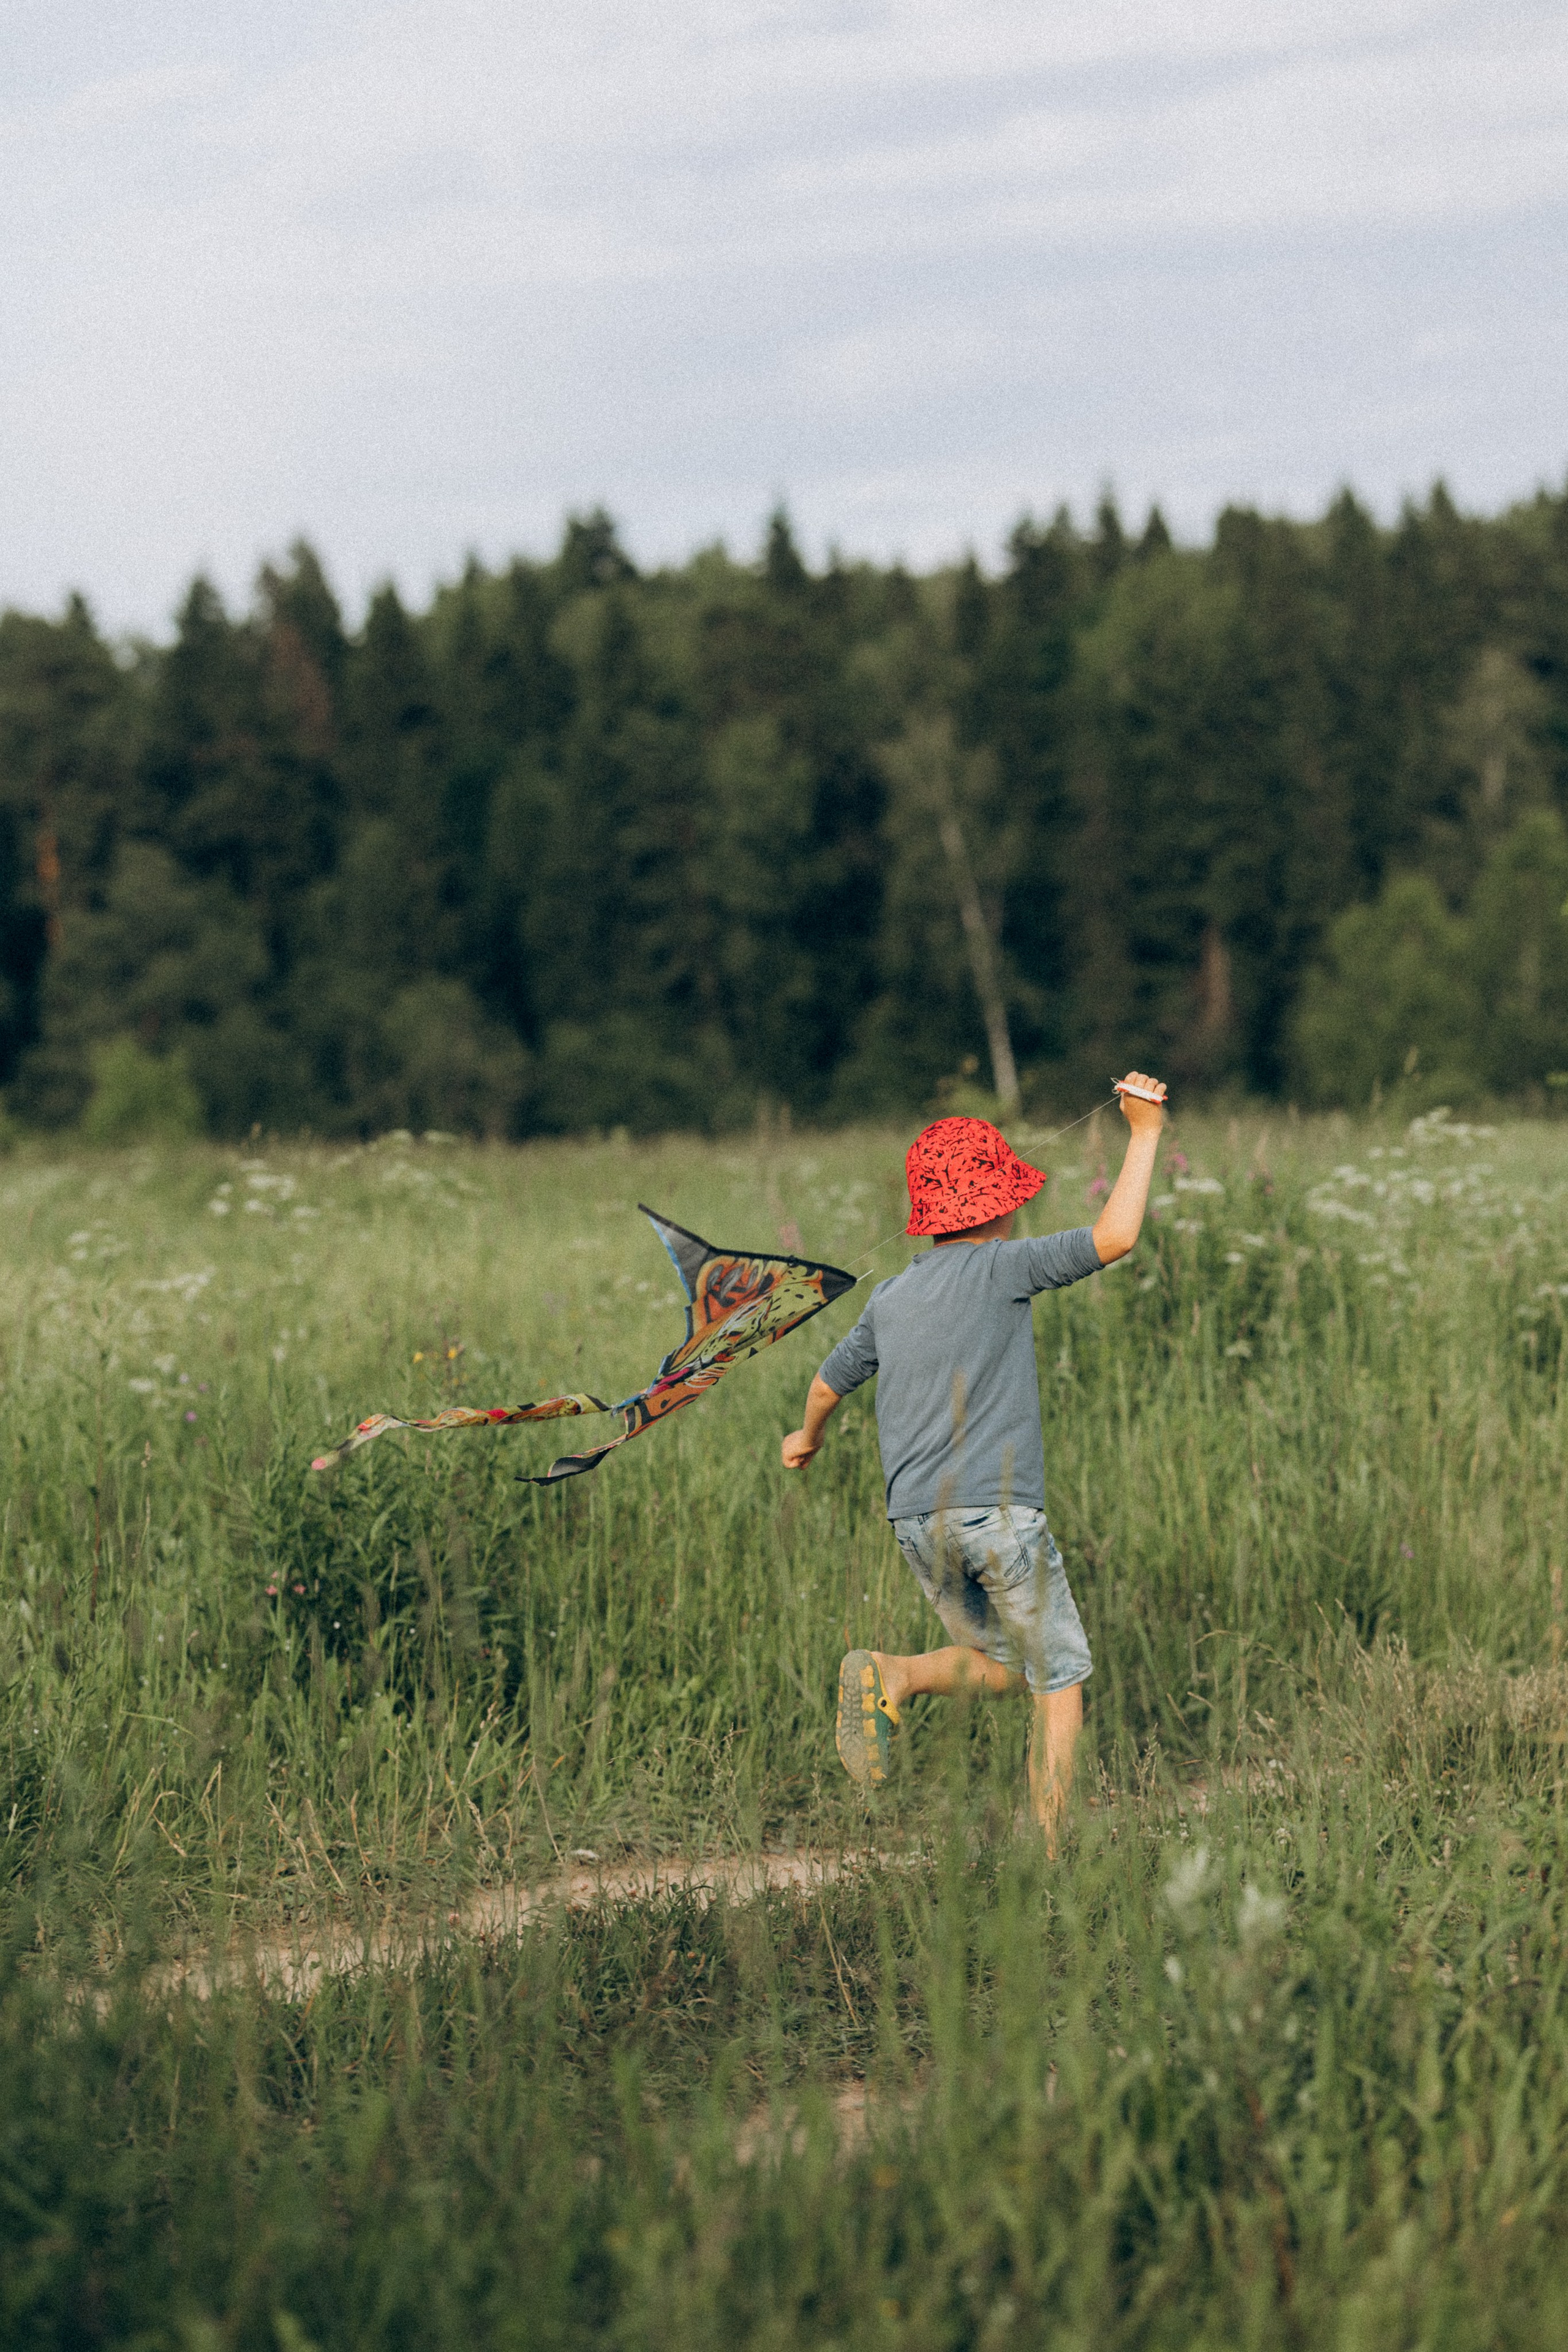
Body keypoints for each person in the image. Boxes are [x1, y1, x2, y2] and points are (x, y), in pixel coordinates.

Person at [781, 1076, 1166, 1848]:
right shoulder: (1004, 1268)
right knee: (1059, 1683)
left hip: (917, 1523)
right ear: (1005, 1204)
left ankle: (897, 1674)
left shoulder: (889, 1299)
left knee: (1003, 1663)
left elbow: (827, 1384)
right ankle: (1055, 1855)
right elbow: (1115, 1238)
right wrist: (1145, 1133)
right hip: (997, 1514)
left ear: (925, 1218)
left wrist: (807, 1439)